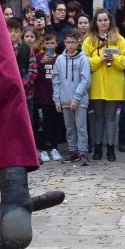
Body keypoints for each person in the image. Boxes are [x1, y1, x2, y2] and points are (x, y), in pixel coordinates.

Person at [82, 9, 125, 161]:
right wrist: (99, 60)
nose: (103, 23)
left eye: (105, 20)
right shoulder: (89, 39)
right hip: (96, 84)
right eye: (100, 20)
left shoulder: (118, 38)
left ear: (110, 21)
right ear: (95, 22)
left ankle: (111, 148)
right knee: (98, 117)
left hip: (113, 84)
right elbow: (83, 62)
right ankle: (98, 147)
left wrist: (114, 59)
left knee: (110, 117)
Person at [53, 28, 91, 165]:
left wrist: (76, 98)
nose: (70, 45)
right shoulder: (59, 59)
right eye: (68, 42)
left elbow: (85, 80)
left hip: (79, 100)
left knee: (81, 127)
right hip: (64, 99)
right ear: (64, 42)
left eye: (73, 42)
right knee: (69, 127)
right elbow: (56, 80)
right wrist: (56, 99)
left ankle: (83, 152)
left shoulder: (83, 59)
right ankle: (73, 151)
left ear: (78, 42)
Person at [33, 33, 61, 162]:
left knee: (56, 124)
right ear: (43, 44)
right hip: (40, 98)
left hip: (55, 98)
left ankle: (54, 148)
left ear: (56, 44)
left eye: (52, 43)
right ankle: (42, 149)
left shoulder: (60, 58)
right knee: (42, 123)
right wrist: (41, 63)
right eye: (47, 43)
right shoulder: (38, 57)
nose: (49, 46)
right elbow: (33, 76)